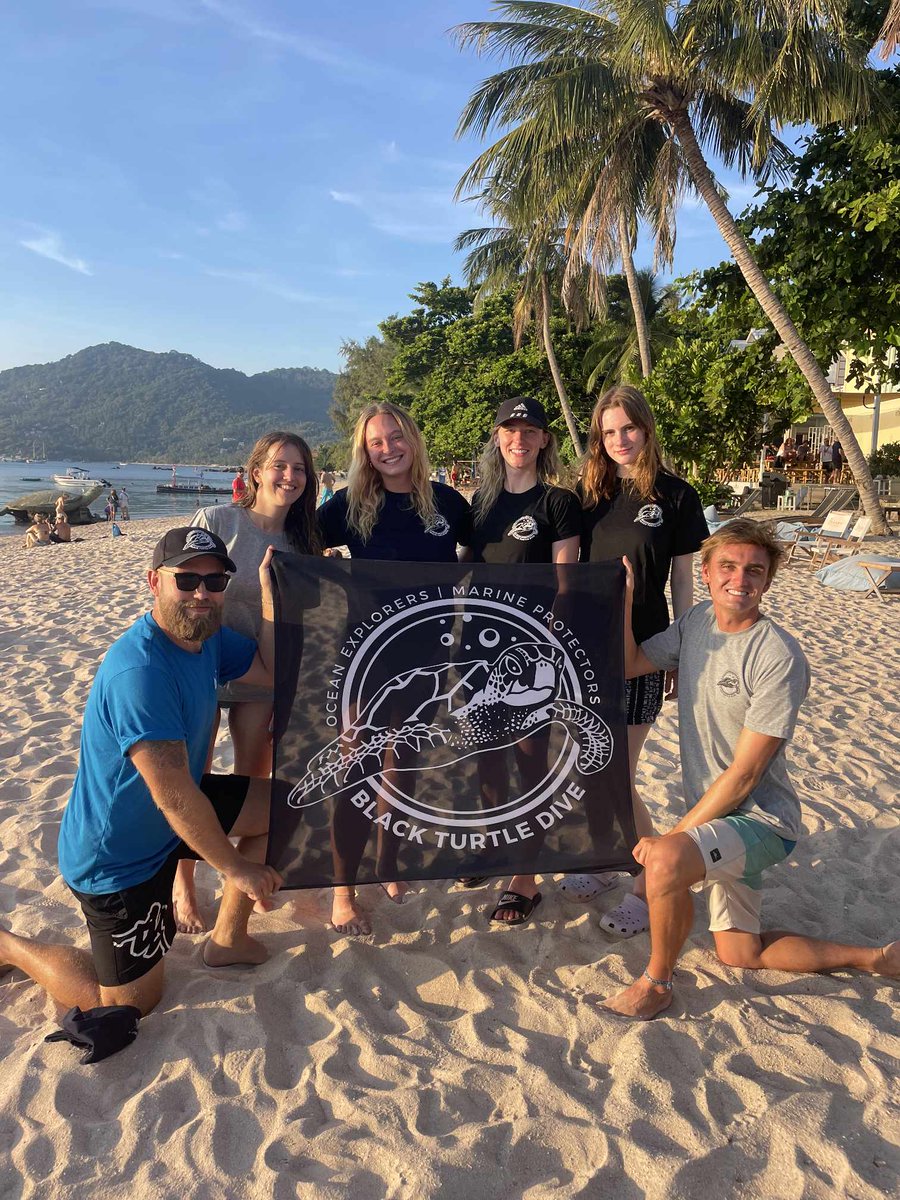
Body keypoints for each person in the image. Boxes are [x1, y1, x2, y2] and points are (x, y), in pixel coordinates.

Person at [604, 519, 898, 1018]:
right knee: (741, 952)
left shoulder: (778, 655)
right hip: (721, 818)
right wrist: (625, 597)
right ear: (707, 571)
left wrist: (673, 836)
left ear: (768, 580)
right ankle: (877, 959)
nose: (740, 580)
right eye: (729, 567)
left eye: (754, 571)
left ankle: (657, 981)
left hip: (761, 821)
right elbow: (632, 663)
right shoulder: (697, 623)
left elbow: (744, 776)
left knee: (666, 860)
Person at [0, 528, 282, 1019]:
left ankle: (229, 940)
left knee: (284, 810)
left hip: (176, 812)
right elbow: (172, 796)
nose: (201, 593)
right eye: (187, 579)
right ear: (154, 581)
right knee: (129, 1006)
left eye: (214, 582)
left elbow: (269, 669)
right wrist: (235, 867)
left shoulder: (206, 637)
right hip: (117, 856)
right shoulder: (142, 671)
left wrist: (272, 597)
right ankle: (8, 946)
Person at [318, 401, 471, 933]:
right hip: (365, 655)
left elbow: (487, 556)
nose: (387, 449)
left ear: (414, 439)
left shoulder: (447, 503)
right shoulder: (348, 504)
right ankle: (343, 890)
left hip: (427, 655)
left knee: (400, 764)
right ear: (364, 450)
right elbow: (298, 543)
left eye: (396, 437)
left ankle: (387, 861)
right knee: (356, 763)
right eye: (376, 442)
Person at [565, 385, 708, 933]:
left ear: (645, 429)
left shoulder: (676, 495)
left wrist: (682, 645)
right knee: (590, 765)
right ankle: (609, 859)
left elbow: (684, 578)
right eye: (608, 431)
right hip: (587, 648)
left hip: (646, 647)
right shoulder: (585, 494)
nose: (620, 440)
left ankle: (649, 883)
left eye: (628, 428)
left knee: (617, 772)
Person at [172, 432, 321, 935]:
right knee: (193, 775)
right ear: (255, 471)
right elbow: (178, 584)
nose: (289, 476)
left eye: (299, 468)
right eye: (279, 465)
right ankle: (185, 881)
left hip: (263, 674)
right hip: (203, 667)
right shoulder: (218, 521)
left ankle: (242, 879)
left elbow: (305, 620)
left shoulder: (304, 541)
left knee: (252, 778)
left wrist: (291, 692)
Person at [462, 397, 582, 925]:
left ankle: (526, 878)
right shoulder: (480, 505)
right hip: (479, 652)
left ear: (543, 440)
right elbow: (455, 571)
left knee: (531, 759)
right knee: (487, 754)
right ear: (497, 437)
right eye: (511, 430)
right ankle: (494, 845)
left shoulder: (559, 503)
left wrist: (542, 647)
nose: (520, 439)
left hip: (532, 654)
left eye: (530, 431)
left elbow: (566, 583)